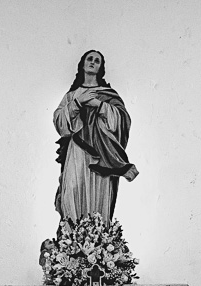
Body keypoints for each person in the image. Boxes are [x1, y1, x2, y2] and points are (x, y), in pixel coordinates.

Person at [53, 50, 138, 224]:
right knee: (73, 190)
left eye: (97, 61)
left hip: (102, 155)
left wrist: (99, 105)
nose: (93, 62)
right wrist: (78, 102)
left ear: (101, 67)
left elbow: (121, 121)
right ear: (82, 64)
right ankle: (72, 242)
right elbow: (60, 123)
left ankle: (98, 241)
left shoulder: (108, 94)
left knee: (98, 194)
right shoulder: (71, 95)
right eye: (89, 59)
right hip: (77, 152)